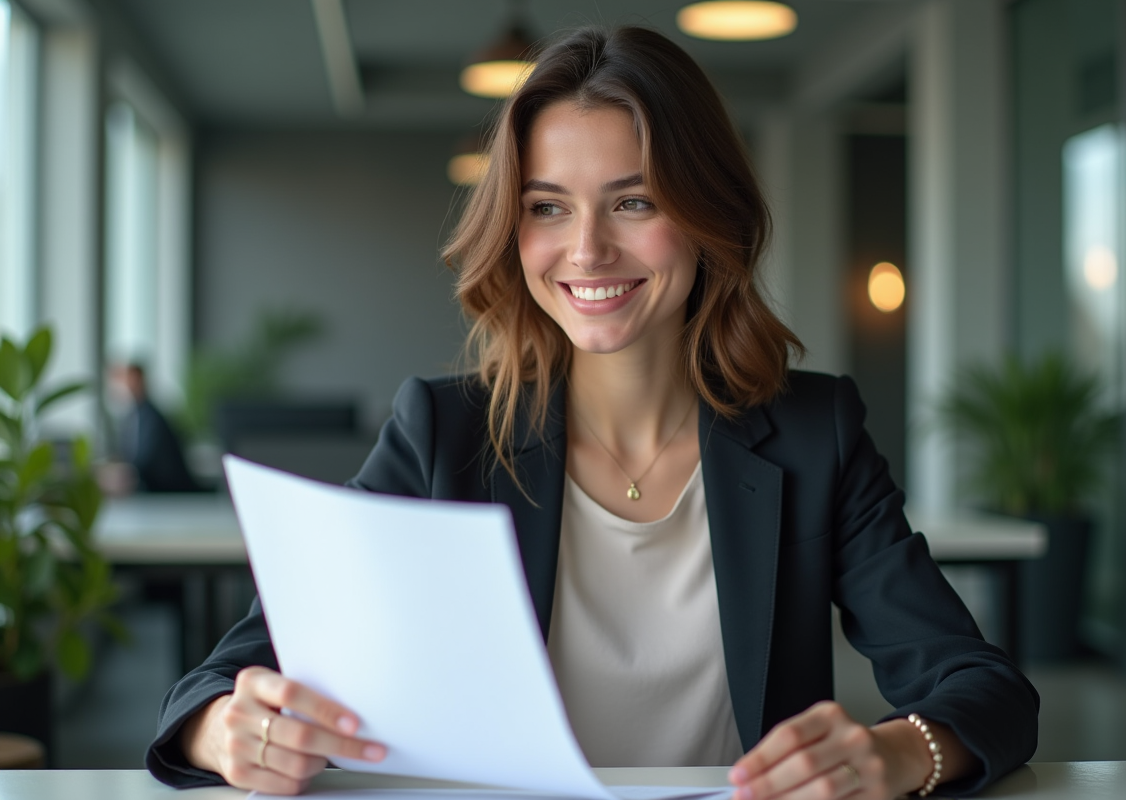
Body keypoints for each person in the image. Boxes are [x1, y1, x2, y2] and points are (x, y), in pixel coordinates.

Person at [146, 26, 1038, 798]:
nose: (586, 249)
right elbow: (228, 674)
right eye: (547, 207)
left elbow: (981, 686)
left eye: (635, 201)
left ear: (706, 216)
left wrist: (893, 754)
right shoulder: (442, 434)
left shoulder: (817, 433)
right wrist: (225, 730)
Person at [106, 363, 202, 493]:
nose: (126, 386)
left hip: (167, 492)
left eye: (131, 380)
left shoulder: (152, 417)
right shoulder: (131, 417)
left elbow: (145, 459)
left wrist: (124, 472)